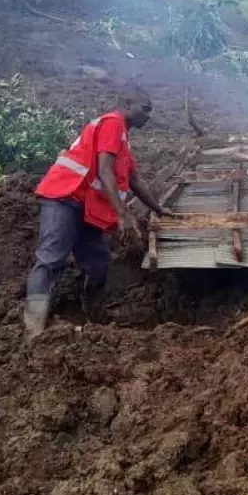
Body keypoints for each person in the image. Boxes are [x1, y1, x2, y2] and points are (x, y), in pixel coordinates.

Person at [24, 87, 168, 340]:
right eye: (145, 108)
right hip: (65, 197)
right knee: (50, 259)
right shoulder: (112, 123)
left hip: (86, 205)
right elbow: (104, 171)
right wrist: (123, 216)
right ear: (127, 103)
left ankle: (90, 315)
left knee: (98, 264)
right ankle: (34, 330)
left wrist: (158, 209)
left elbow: (134, 179)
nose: (148, 115)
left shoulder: (122, 139)